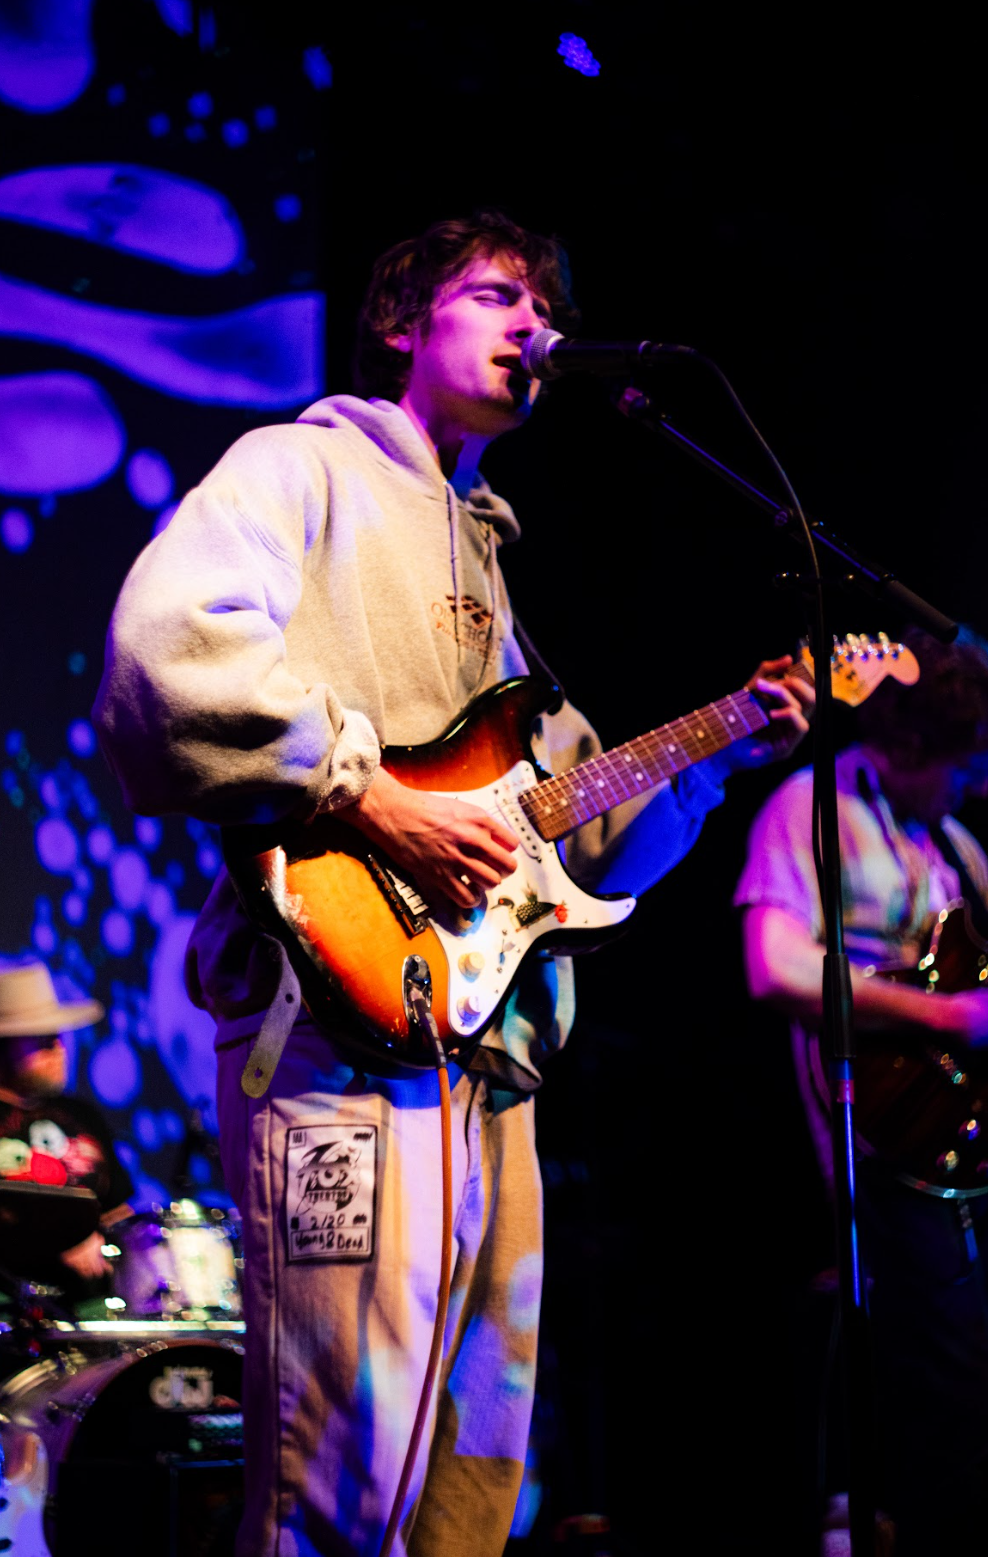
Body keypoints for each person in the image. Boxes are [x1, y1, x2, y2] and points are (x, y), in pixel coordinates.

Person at [93, 211, 812, 1557]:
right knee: (342, 1465)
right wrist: (366, 793)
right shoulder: (302, 468)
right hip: (337, 1021)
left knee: (471, 1475)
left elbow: (582, 849)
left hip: (487, 1050)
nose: (535, 325)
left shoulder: (487, 559)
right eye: (497, 296)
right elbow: (164, 655)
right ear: (400, 324)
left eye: (546, 306)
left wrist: (723, 751)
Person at [735, 624, 988, 1556]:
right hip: (869, 1147)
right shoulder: (807, 809)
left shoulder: (958, 851)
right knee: (955, 1391)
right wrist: (949, 1017)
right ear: (910, 745)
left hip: (968, 1154)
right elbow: (775, 967)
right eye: (966, 766)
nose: (979, 789)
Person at [0, 960, 132, 1293]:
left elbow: (118, 1210)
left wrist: (105, 1239)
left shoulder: (81, 1114)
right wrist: (55, 1247)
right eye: (42, 1041)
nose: (59, 1050)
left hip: (87, 1302)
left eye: (58, 1038)